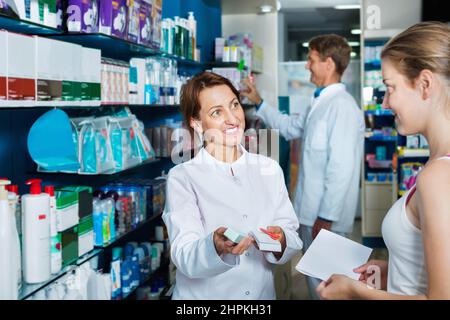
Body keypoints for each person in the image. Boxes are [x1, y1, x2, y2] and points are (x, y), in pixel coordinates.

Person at [316, 21, 450, 300]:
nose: (386, 103)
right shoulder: (437, 165)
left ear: (425, 84)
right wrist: (394, 271)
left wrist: (355, 291)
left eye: (391, 88)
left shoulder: (438, 176)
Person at [241, 34, 365, 299]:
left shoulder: (342, 107)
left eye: (311, 60)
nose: (307, 66)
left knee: (328, 289)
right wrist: (259, 102)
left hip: (326, 218)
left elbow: (341, 168)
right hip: (311, 214)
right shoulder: (318, 103)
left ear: (328, 63)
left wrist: (327, 217)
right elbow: (289, 127)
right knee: (317, 285)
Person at [162, 72, 303, 300]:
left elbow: (293, 238)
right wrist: (215, 246)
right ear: (196, 123)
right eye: (217, 112)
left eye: (234, 105)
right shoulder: (183, 177)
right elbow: (184, 254)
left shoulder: (269, 169)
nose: (233, 119)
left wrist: (281, 239)